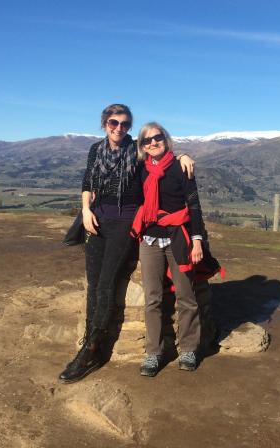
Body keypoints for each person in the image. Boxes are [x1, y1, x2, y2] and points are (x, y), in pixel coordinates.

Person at [59, 104, 194, 384]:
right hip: (96, 220)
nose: (119, 128)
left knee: (107, 283)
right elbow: (88, 181)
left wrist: (183, 155)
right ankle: (89, 339)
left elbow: (161, 154)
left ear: (130, 127)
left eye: (124, 123)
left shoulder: (137, 150)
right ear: (104, 123)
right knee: (94, 285)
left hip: (126, 223)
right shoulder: (96, 150)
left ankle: (92, 349)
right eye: (113, 122)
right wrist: (84, 211)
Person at [131, 122, 212, 377]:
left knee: (186, 296)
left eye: (157, 138)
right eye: (147, 141)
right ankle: (153, 353)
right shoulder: (140, 170)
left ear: (165, 139)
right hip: (150, 241)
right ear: (142, 147)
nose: (152, 143)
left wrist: (197, 239)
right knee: (152, 298)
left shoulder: (181, 167)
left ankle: (188, 348)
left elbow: (194, 205)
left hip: (179, 237)